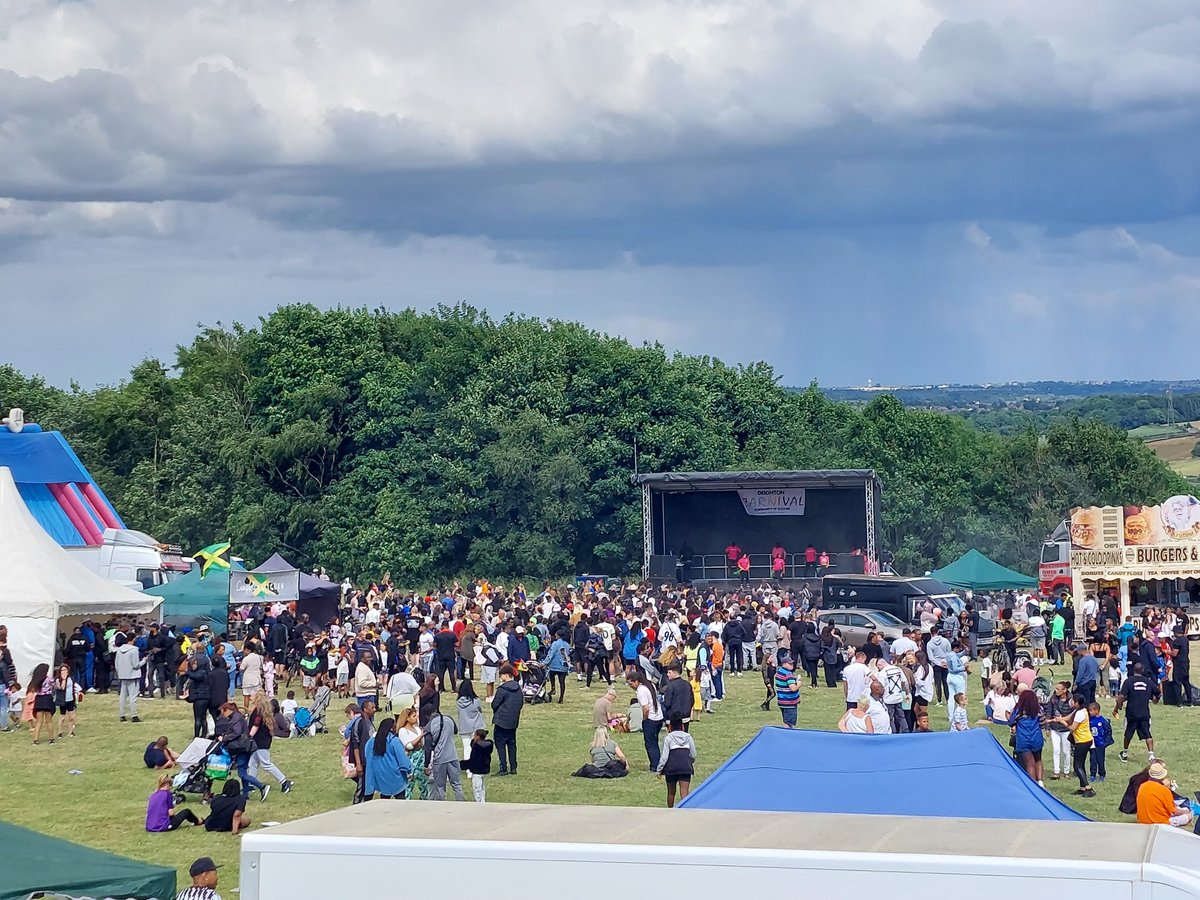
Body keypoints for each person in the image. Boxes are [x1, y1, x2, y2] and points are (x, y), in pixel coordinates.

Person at [214, 701, 269, 802]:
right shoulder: (236, 717)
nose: (222, 715)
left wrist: (224, 738)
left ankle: (262, 786)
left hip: (242, 748)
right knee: (242, 771)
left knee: (242, 773)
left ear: (227, 711)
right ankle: (245, 794)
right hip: (242, 748)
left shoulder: (236, 719)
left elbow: (237, 732)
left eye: (223, 712)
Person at [247, 692, 294, 794]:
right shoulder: (263, 710)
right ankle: (250, 784)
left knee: (266, 764)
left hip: (260, 741)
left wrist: (249, 736)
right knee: (253, 763)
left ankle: (284, 782)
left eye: (252, 696)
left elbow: (256, 725)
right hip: (261, 740)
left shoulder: (258, 711)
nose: (250, 697)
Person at [1114, 662, 1160, 763]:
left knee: (1128, 734)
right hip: (1144, 713)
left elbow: (1121, 697)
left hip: (1131, 713)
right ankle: (1151, 755)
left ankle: (1125, 753)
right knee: (1147, 734)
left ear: (1134, 670)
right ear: (1143, 671)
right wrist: (1155, 700)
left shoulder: (1128, 682)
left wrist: (1117, 708)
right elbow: (1157, 692)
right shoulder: (1148, 682)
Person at [1052, 693, 1096, 797]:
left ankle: (1088, 788)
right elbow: (1068, 717)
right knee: (1081, 764)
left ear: (1077, 702)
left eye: (1073, 701)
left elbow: (1072, 728)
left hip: (1082, 741)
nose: (1071, 702)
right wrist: (1060, 718)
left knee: (1077, 766)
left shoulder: (1081, 713)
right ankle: (1082, 788)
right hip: (1085, 740)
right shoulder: (1079, 710)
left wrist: (1062, 722)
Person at [364, 716, 412, 800]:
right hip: (395, 776)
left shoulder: (371, 742)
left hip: (380, 776)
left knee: (384, 798)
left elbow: (367, 756)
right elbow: (402, 759)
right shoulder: (394, 741)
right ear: (391, 728)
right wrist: (409, 769)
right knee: (401, 799)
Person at [424, 706, 466, 801]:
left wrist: (426, 765)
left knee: (440, 786)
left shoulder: (429, 726)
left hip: (439, 759)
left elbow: (428, 747)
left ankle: (441, 806)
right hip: (453, 756)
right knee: (456, 784)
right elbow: (455, 731)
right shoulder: (449, 719)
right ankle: (462, 803)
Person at [1136, 760, 1194, 827]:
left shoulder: (1142, 786)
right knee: (1189, 815)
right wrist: (1186, 811)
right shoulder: (1164, 790)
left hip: (1143, 822)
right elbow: (1175, 811)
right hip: (1160, 824)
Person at [656, 716, 696, 808]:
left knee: (671, 793)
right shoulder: (688, 737)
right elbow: (693, 754)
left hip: (671, 768)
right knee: (684, 792)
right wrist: (690, 762)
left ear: (670, 727)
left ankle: (670, 810)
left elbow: (664, 757)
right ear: (682, 726)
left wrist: (659, 770)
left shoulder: (668, 738)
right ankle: (685, 812)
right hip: (685, 767)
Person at [1007, 688, 1045, 785]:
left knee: (1029, 763)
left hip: (1024, 739)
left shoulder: (1018, 711)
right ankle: (1040, 782)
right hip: (1037, 738)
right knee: (1038, 760)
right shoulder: (1039, 709)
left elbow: (1011, 722)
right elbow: (1043, 723)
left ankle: (1033, 785)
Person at [491, 663, 522, 776]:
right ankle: (513, 767)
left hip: (501, 721)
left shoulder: (502, 689)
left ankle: (503, 767)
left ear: (506, 675)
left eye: (501, 675)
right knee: (512, 744)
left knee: (500, 745)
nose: (500, 677)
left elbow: (495, 704)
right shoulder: (518, 688)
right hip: (513, 721)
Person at [628, 671, 663, 771]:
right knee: (655, 742)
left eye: (631, 684)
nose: (631, 686)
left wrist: (644, 718)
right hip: (659, 716)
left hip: (651, 719)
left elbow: (646, 708)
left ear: (636, 681)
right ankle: (659, 762)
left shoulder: (641, 691)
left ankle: (654, 766)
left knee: (650, 744)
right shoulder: (650, 685)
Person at [348, 697, 377, 804]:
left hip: (369, 759)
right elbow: (355, 744)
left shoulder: (369, 721)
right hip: (362, 759)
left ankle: (367, 803)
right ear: (365, 709)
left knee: (369, 785)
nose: (374, 709)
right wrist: (358, 763)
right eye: (372, 707)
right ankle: (356, 806)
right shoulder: (359, 722)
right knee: (362, 786)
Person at [396, 705, 428, 800]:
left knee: (424, 784)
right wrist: (420, 737)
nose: (416, 718)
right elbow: (409, 746)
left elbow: (422, 744)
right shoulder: (403, 731)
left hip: (421, 758)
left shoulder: (418, 728)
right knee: (409, 785)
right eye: (413, 716)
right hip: (411, 760)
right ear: (407, 718)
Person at [113, 634, 144, 722]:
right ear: (133, 639)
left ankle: (122, 715)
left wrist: (120, 673)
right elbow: (136, 665)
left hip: (123, 675)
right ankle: (134, 715)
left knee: (122, 696)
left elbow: (117, 664)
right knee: (133, 697)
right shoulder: (134, 650)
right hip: (132, 675)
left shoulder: (119, 650)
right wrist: (144, 661)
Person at [184, 654, 212, 738]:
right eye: (193, 664)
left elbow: (196, 676)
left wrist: (187, 672)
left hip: (200, 697)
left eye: (195, 664)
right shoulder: (204, 672)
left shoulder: (202, 672)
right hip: (203, 697)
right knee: (203, 717)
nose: (194, 666)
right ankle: (203, 734)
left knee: (198, 718)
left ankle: (197, 736)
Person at [455, 680, 485, 758]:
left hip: (464, 727)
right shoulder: (476, 701)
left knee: (466, 747)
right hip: (476, 727)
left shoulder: (458, 702)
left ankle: (468, 767)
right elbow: (480, 710)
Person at [52, 663, 81, 738]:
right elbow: (62, 688)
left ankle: (71, 731)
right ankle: (60, 732)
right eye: (62, 670)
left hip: (71, 699)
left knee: (71, 717)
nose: (64, 671)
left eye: (65, 670)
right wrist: (64, 679)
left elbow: (74, 686)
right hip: (63, 700)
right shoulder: (58, 680)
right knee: (62, 716)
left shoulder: (71, 678)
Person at [661, 663, 694, 731]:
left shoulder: (670, 686)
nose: (667, 674)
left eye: (669, 672)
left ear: (675, 673)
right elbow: (692, 700)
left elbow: (667, 703)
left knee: (673, 738)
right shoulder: (687, 684)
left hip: (673, 718)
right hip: (686, 716)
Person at [28, 663, 55, 744]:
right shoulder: (49, 679)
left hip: (39, 699)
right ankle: (51, 738)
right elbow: (54, 686)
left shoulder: (35, 680)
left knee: (39, 721)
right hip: (47, 698)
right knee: (49, 721)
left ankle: (35, 739)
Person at [1088, 701, 1113, 784]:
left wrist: (1105, 743)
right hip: (1092, 744)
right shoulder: (1090, 720)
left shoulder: (1103, 720)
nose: (1090, 712)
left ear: (1097, 710)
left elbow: (1108, 732)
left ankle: (1102, 774)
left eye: (1091, 711)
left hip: (1100, 744)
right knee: (1092, 760)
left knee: (1100, 760)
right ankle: (1092, 774)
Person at [465, 728, 493, 801]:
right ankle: (482, 801)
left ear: (477, 736)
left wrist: (464, 765)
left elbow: (474, 760)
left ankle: (479, 802)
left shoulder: (477, 748)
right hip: (485, 768)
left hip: (477, 770)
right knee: (482, 787)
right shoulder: (488, 746)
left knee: (477, 788)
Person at [545, 631, 571, 703]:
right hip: (563, 666)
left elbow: (551, 654)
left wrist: (545, 663)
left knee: (552, 676)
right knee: (562, 682)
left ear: (558, 636)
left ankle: (553, 688)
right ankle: (561, 698)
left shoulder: (555, 644)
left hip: (554, 665)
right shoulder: (567, 644)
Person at [774, 654, 800, 728]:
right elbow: (793, 688)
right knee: (789, 723)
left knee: (786, 720)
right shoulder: (788, 675)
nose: (792, 665)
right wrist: (798, 684)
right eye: (789, 664)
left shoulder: (779, 672)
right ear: (784, 664)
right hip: (790, 702)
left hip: (782, 701)